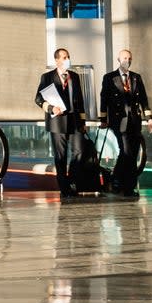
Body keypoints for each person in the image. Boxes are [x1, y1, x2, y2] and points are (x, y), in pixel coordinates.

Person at [99, 48, 152, 198]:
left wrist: (149, 118)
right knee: (127, 150)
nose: (127, 61)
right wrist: (103, 119)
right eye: (124, 58)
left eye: (129, 58)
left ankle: (119, 181)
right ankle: (127, 187)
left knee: (132, 153)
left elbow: (143, 100)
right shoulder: (109, 77)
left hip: (134, 121)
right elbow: (104, 99)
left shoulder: (136, 77)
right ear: (118, 59)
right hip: (118, 121)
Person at [35, 48, 87, 199]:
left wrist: (83, 121)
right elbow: (38, 99)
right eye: (64, 57)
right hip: (57, 120)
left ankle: (71, 180)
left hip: (75, 120)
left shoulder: (75, 77)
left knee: (79, 151)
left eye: (68, 57)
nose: (67, 59)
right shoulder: (47, 77)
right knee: (61, 155)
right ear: (57, 60)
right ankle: (65, 188)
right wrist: (51, 108)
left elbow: (80, 101)